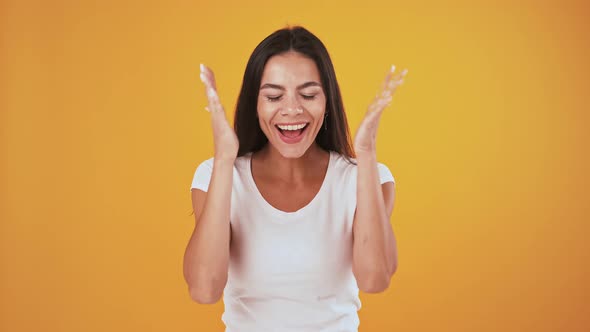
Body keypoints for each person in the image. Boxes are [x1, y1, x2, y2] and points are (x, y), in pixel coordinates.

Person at [183, 25, 407, 332]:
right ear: (256, 105)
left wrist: (366, 153)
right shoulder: (215, 176)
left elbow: (375, 279)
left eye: (308, 94)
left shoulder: (367, 179)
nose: (292, 109)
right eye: (274, 96)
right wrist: (224, 160)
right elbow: (204, 288)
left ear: (327, 101)